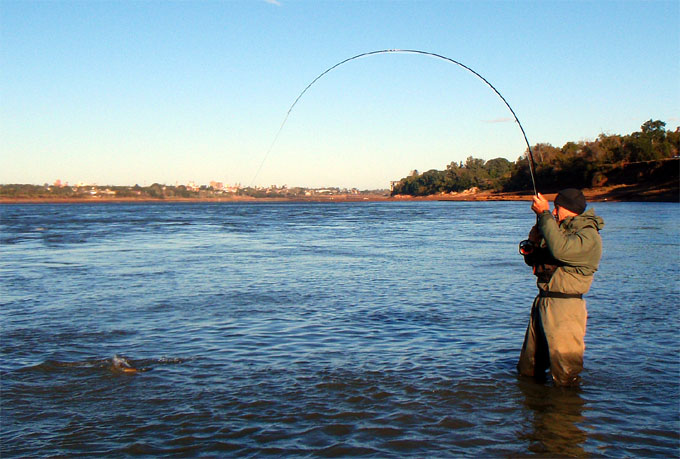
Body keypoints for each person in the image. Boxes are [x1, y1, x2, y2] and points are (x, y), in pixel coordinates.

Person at [517, 188, 604, 386]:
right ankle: (532, 413)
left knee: (565, 374)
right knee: (528, 370)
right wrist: (533, 241)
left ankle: (566, 412)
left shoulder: (588, 236)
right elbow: (534, 260)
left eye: (557, 208)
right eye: (553, 209)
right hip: (542, 302)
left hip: (566, 308)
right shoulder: (558, 231)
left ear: (568, 209)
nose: (554, 213)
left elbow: (560, 250)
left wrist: (543, 214)